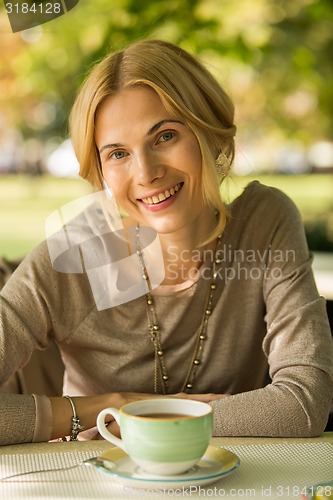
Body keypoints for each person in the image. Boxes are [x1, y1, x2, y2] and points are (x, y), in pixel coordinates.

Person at [0, 39, 332, 446]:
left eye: (165, 136)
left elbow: (304, 402)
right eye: (118, 154)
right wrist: (111, 406)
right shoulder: (70, 259)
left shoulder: (265, 223)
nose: (146, 172)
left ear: (213, 136)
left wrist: (154, 417)